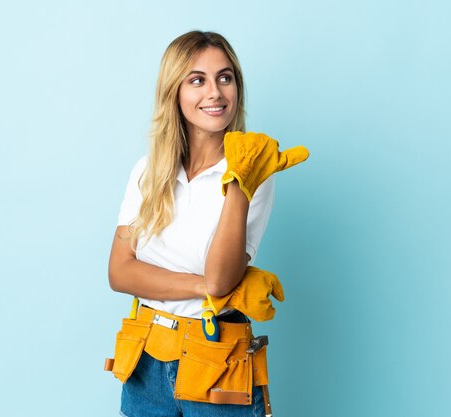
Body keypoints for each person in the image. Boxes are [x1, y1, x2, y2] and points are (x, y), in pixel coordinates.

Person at [107, 30, 307, 417]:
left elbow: (219, 278)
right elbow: (119, 271)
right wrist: (209, 289)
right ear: (174, 93)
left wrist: (241, 179)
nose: (215, 92)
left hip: (217, 359)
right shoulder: (147, 172)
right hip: (146, 358)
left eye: (225, 77)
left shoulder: (255, 173)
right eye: (197, 80)